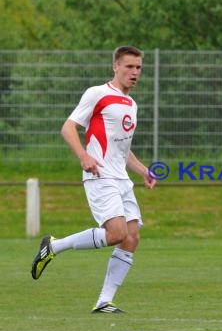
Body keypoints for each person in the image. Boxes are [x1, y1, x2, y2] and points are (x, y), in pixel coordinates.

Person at [31, 46, 156, 314]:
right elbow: (68, 127)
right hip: (99, 175)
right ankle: (54, 246)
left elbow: (122, 150)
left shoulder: (131, 104)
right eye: (129, 67)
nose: (134, 72)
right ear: (116, 67)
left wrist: (144, 171)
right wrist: (83, 156)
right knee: (117, 234)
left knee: (131, 238)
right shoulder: (98, 94)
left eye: (138, 68)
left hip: (121, 178)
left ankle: (104, 301)